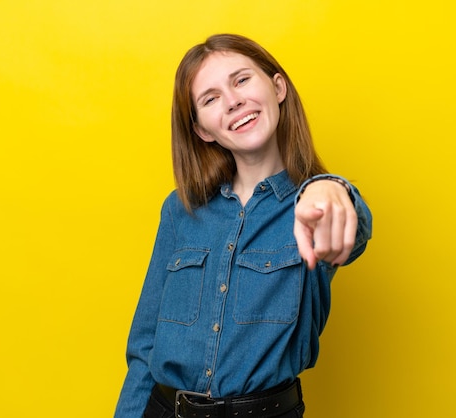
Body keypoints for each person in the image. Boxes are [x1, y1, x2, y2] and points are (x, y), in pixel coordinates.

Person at [114, 33, 372, 418]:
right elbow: (145, 346)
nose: (233, 101)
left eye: (241, 80)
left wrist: (331, 188)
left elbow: (354, 230)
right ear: (202, 128)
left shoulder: (313, 208)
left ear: (278, 87)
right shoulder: (180, 210)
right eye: (210, 98)